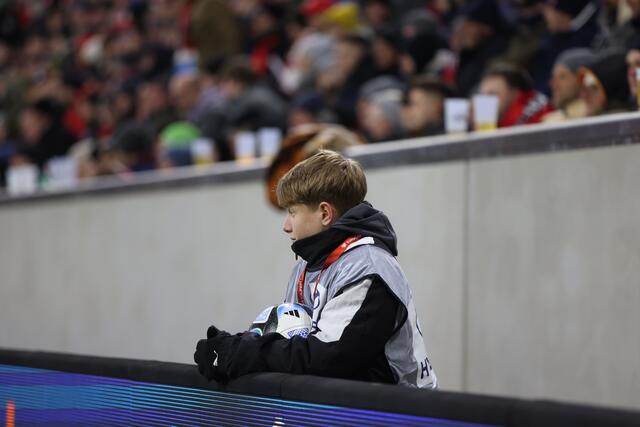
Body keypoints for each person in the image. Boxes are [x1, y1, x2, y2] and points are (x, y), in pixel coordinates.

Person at [194, 150, 437, 388]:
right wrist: (236, 345)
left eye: (292, 212)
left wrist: (242, 353)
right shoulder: (307, 264)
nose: (286, 226)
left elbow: (330, 357)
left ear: (324, 213)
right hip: (350, 403)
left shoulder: (369, 267)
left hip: (401, 408)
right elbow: (295, 342)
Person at [478, 63, 554, 127]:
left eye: (492, 94)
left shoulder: (532, 116)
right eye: (482, 95)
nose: (485, 100)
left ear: (515, 93)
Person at [543, 48, 594, 122]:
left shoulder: (597, 117)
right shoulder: (551, 121)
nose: (553, 84)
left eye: (562, 76)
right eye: (553, 77)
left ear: (583, 79)